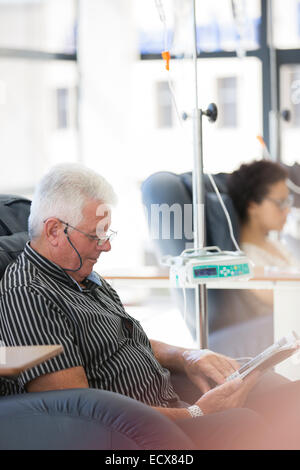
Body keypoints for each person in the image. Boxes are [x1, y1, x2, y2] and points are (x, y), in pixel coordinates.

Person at [1, 163, 300, 450]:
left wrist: (187, 356)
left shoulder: (85, 276)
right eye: (96, 235)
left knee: (286, 396)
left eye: (107, 233)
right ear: (54, 230)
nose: (106, 246)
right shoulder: (29, 293)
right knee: (245, 425)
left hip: (171, 401)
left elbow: (125, 335)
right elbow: (72, 410)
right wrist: (197, 414)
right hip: (133, 431)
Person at [227, 159, 297, 312]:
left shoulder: (275, 244)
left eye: (288, 202)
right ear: (252, 205)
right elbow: (285, 300)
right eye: (280, 203)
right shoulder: (246, 261)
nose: (287, 211)